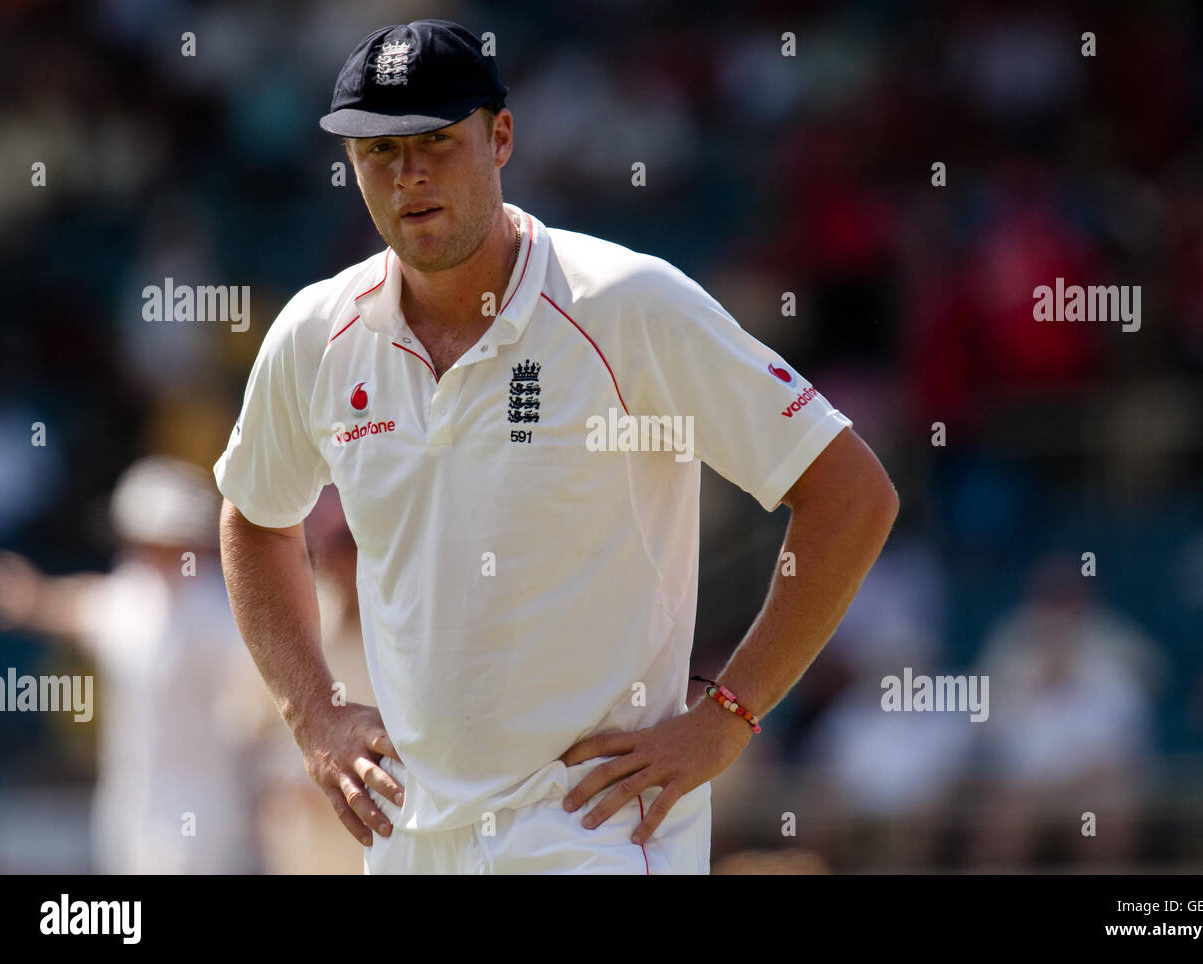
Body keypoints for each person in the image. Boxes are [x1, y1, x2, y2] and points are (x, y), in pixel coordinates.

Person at [214, 18, 899, 874]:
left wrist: (727, 718)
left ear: (500, 137)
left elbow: (851, 494)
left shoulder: (629, 303)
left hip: (597, 834)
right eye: (378, 153)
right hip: (410, 841)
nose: (409, 176)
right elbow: (254, 518)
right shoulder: (316, 331)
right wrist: (313, 713)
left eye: (435, 141)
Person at [0, 456, 263, 873]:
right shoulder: (136, 597)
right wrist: (31, 597)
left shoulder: (221, 614)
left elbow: (256, 715)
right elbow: (85, 604)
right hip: (130, 804)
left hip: (202, 810)